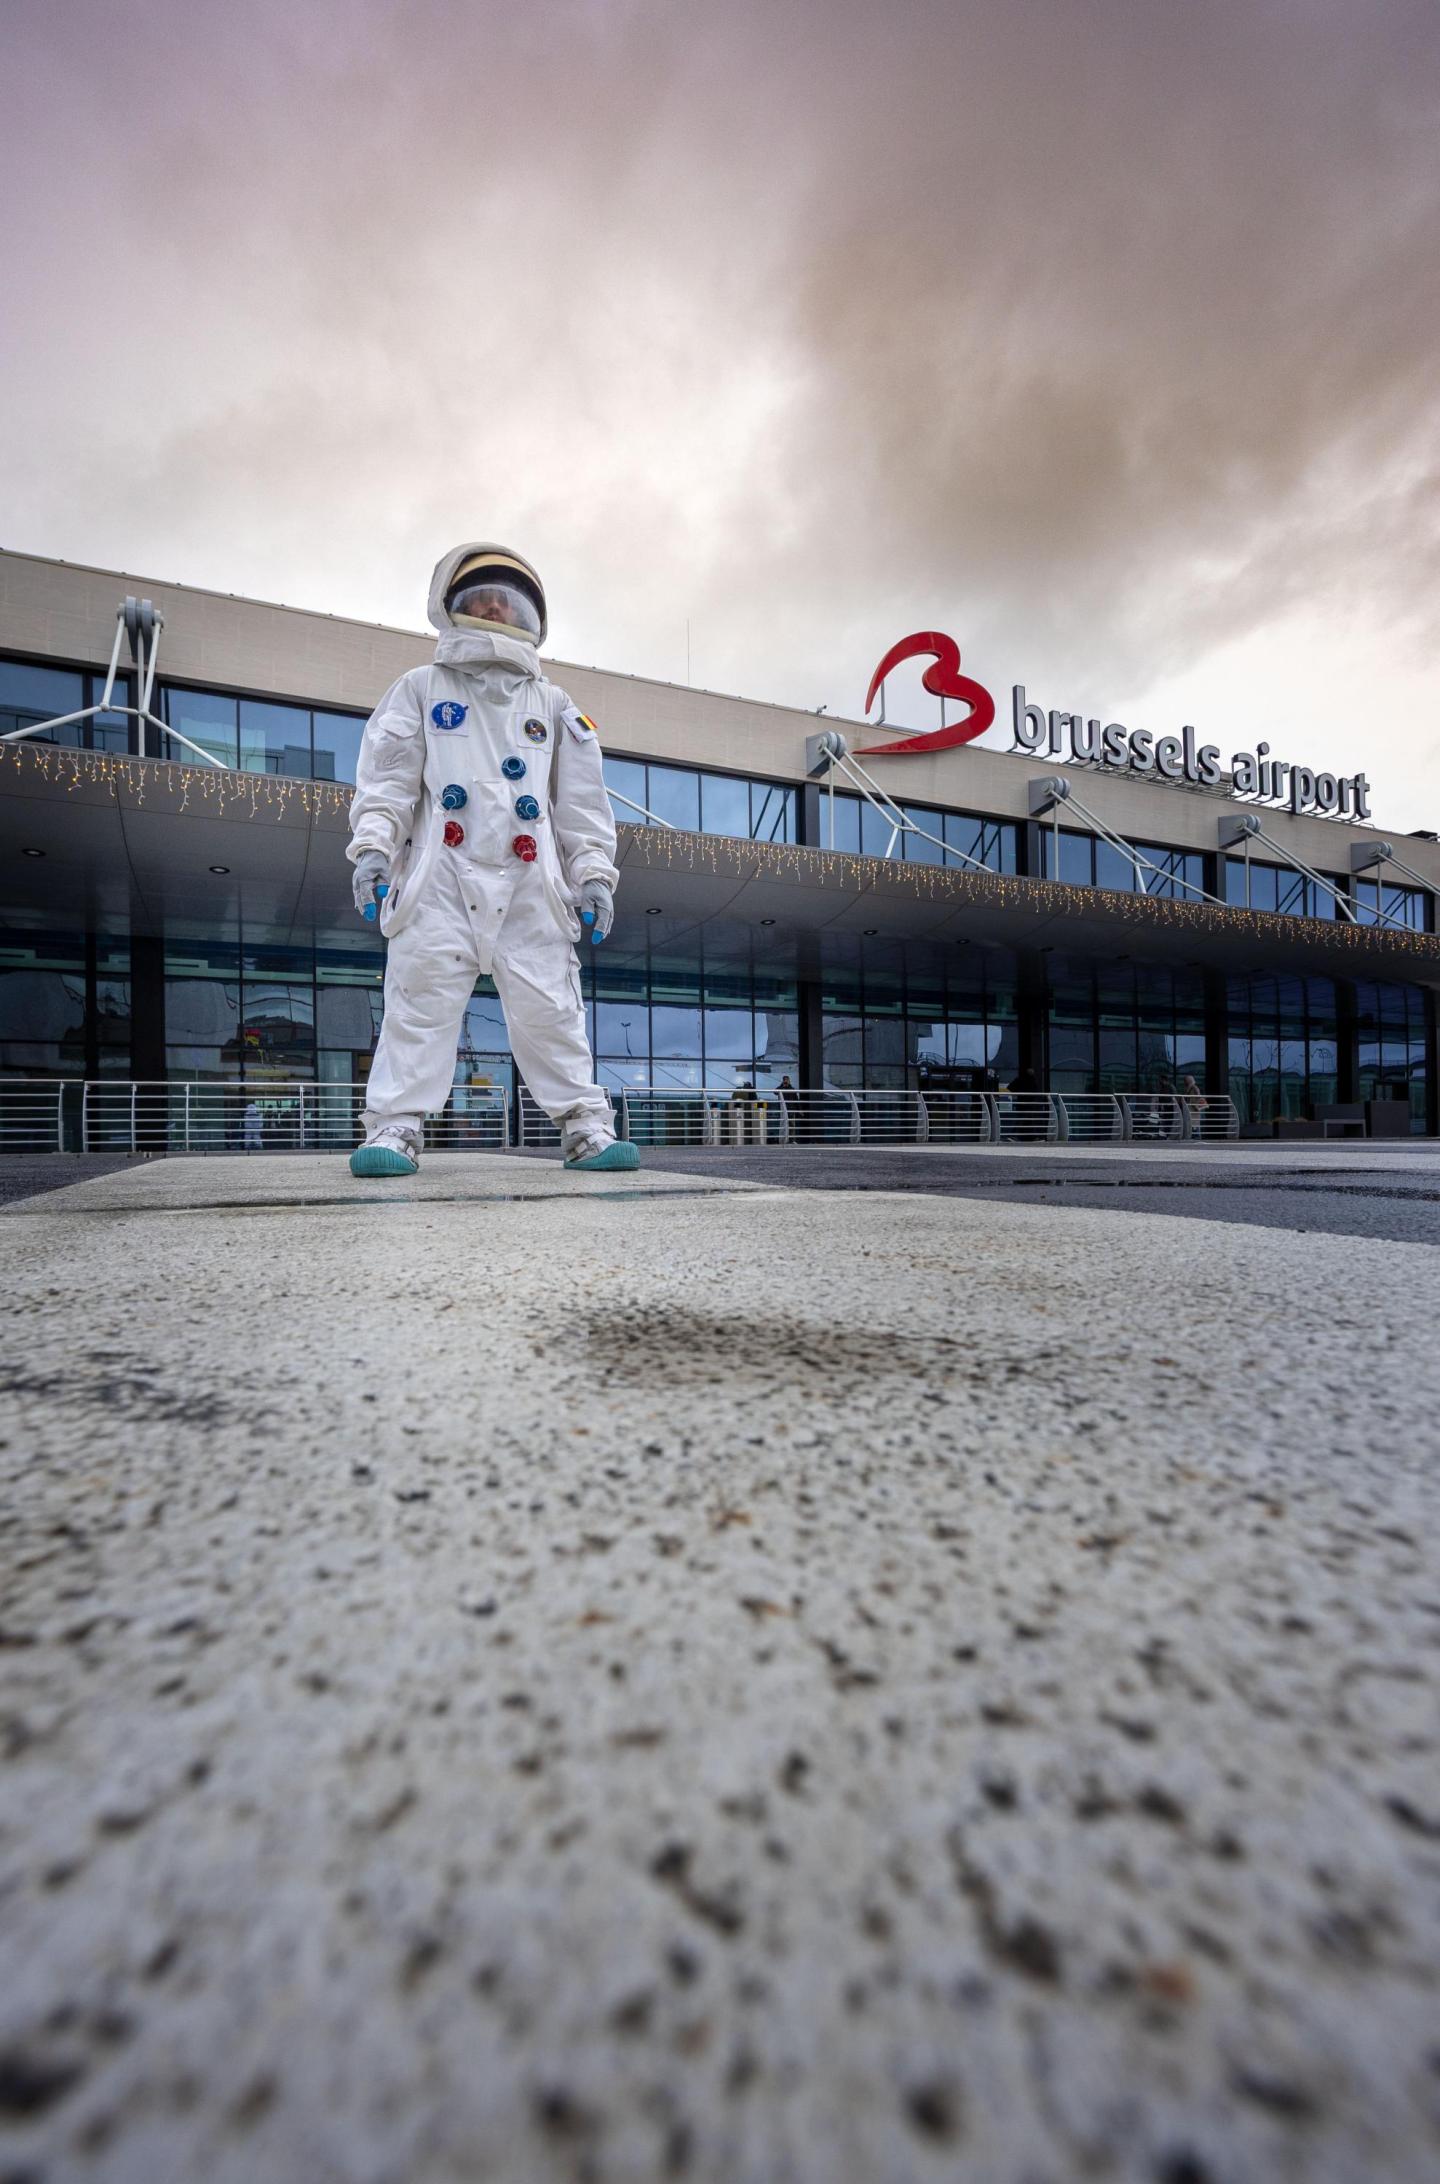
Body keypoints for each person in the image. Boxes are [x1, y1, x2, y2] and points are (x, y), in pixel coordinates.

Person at [345, 542, 638, 1177]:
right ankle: (395, 1126)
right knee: (418, 1002)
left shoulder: (554, 704)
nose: (496, 609)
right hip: (439, 877)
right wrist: (372, 849)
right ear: (451, 606)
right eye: (482, 598)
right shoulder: (420, 690)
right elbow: (387, 784)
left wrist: (593, 874)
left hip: (531, 881)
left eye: (507, 600)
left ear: (530, 614)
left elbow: (583, 806)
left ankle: (585, 1126)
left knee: (551, 1008)